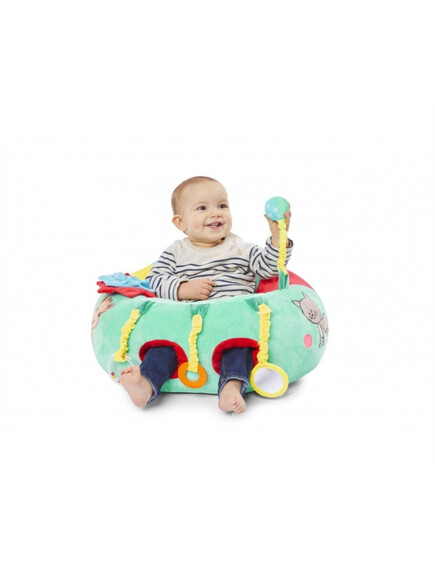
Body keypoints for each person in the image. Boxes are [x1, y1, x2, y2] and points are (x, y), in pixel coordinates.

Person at [120, 176, 292, 413]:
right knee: (161, 349)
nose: (216, 213)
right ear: (181, 222)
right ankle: (145, 385)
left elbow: (269, 269)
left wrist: (278, 238)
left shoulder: (240, 247)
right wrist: (182, 288)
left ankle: (231, 387)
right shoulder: (176, 252)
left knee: (241, 349)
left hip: (231, 323)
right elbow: (154, 281)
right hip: (187, 327)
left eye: (222, 205)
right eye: (202, 208)